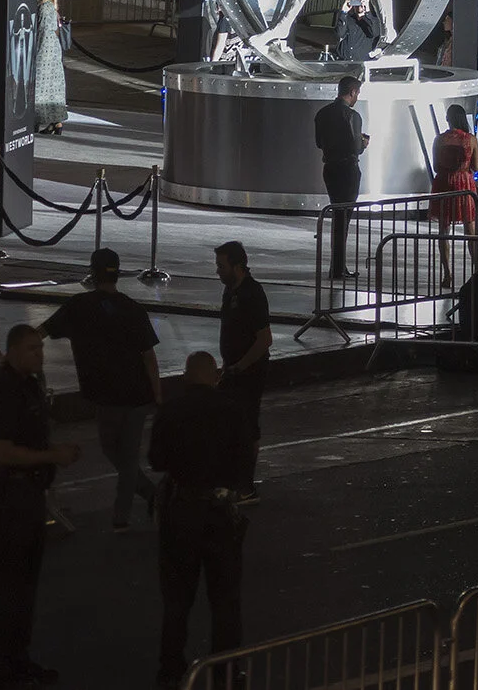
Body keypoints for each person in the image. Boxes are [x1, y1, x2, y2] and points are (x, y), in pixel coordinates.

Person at [0, 325, 76, 688]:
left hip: (29, 496)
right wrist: (53, 455)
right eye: (33, 349)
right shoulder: (2, 392)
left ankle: (15, 661)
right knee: (5, 588)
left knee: (22, 588)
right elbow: (1, 451)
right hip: (10, 498)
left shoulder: (27, 387)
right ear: (14, 351)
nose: (40, 355)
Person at [151, 352, 252, 688]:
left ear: (185, 377)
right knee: (225, 600)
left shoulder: (171, 410)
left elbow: (156, 460)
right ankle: (225, 669)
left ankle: (171, 669)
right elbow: (245, 460)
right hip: (221, 511)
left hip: (182, 510)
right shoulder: (233, 410)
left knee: (177, 598)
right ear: (216, 376)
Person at [41, 247, 159, 531]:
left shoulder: (79, 306)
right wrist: (158, 395)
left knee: (114, 450)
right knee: (127, 455)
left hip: (105, 395)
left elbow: (43, 330)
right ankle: (148, 496)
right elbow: (149, 356)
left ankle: (123, 515)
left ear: (92, 273)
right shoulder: (133, 309)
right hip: (137, 394)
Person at [212, 242, 269, 484]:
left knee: (247, 426)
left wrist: (241, 366)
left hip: (248, 372)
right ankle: (233, 476)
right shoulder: (231, 290)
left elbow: (264, 339)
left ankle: (245, 483)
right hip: (232, 369)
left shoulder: (252, 293)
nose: (217, 271)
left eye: (221, 266)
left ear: (237, 266)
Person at [314, 75, 367, 281]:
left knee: (337, 216)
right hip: (348, 169)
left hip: (330, 168)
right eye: (357, 93)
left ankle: (337, 266)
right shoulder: (352, 116)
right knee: (343, 219)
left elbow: (319, 142)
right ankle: (337, 268)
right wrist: (363, 143)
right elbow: (356, 147)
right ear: (352, 92)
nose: (357, 97)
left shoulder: (322, 114)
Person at [429, 103, 478, 289]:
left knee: (444, 231)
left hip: (443, 184)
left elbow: (436, 166)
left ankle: (447, 274)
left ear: (448, 119)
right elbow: (475, 167)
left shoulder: (439, 139)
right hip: (465, 185)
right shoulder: (471, 139)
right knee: (471, 230)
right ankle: (477, 270)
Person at [32, 0, 67, 137]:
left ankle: (34, 121)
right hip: (52, 52)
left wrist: (38, 57)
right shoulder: (50, 6)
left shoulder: (44, 8)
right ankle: (56, 123)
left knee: (38, 88)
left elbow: (44, 34)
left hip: (45, 52)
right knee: (53, 89)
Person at [333, 0, 383, 64]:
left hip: (360, 63)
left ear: (367, 1)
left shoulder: (373, 20)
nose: (358, 4)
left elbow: (374, 32)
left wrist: (367, 12)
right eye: (356, 1)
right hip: (343, 61)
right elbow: (339, 34)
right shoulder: (347, 18)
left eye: (361, 1)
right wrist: (343, 12)